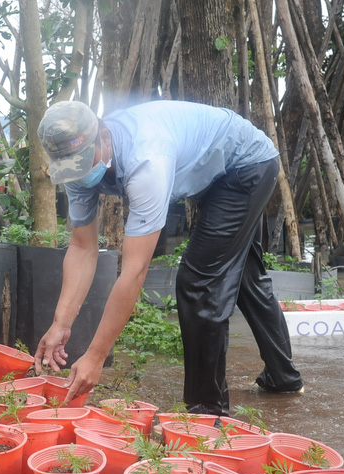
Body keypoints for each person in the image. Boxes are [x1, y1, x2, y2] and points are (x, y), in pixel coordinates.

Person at [34, 100, 304, 416]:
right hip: (210, 172)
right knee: (245, 277)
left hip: (245, 166)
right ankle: (283, 378)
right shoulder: (78, 171)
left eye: (83, 161)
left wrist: (95, 355)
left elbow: (134, 271)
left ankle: (206, 415)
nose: (79, 175)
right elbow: (82, 248)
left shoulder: (146, 160)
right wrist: (60, 324)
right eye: (72, 168)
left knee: (199, 281)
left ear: (104, 137)